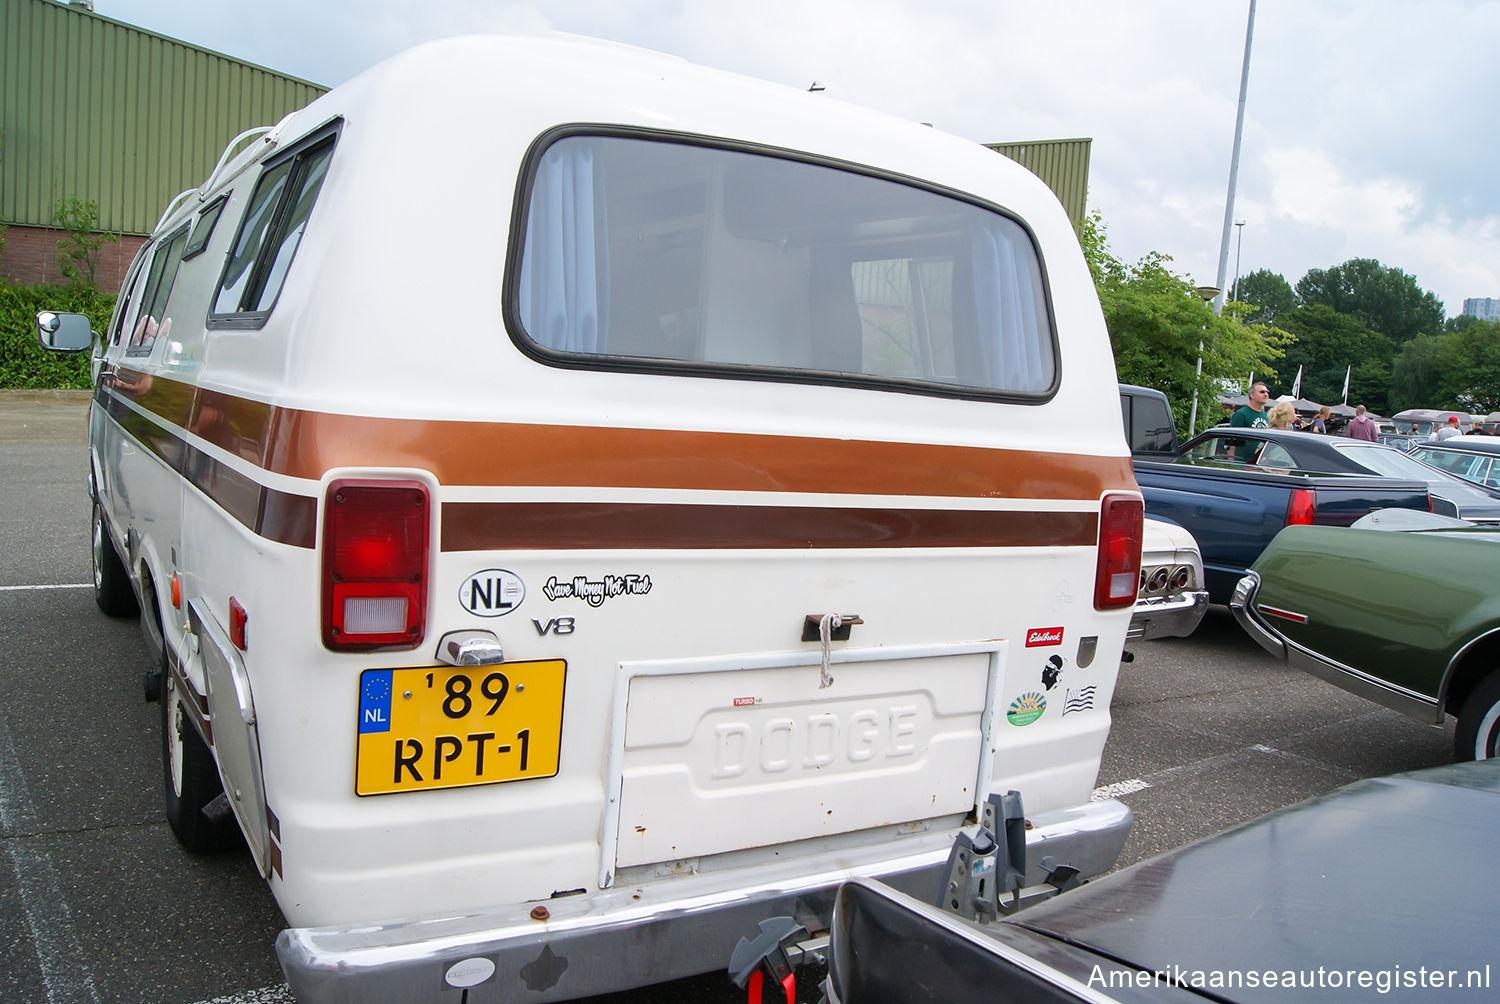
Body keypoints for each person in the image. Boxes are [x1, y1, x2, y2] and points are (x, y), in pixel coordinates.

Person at [1229, 382, 1271, 460]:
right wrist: (1231, 461)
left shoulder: (1265, 415)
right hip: (1242, 463)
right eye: (1262, 392)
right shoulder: (1241, 414)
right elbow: (1232, 440)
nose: (1266, 394)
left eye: (1267, 392)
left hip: (1259, 463)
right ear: (1252, 395)